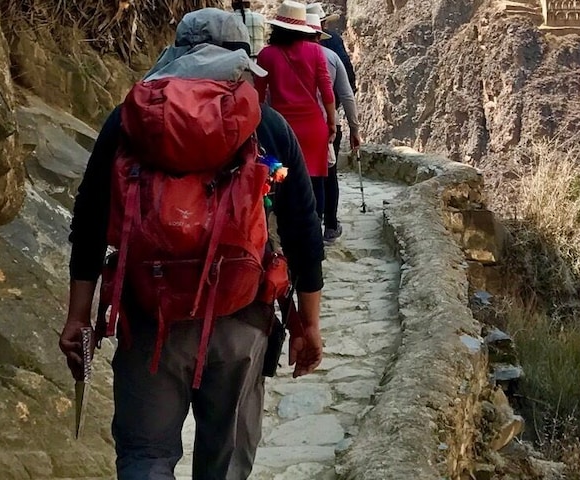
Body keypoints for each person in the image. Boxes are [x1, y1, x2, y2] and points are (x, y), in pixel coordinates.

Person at [58, 9, 325, 480]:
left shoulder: (130, 122)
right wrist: (308, 323)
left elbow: (90, 221)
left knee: (145, 457)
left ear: (176, 51)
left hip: (150, 316)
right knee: (224, 464)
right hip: (241, 317)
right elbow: (304, 230)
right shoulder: (266, 124)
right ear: (243, 57)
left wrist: (79, 314)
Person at [256, 1, 338, 238]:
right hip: (313, 128)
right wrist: (330, 123)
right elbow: (327, 91)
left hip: (281, 130)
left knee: (281, 177)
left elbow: (259, 97)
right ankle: (315, 229)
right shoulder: (315, 51)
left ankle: (284, 230)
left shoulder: (266, 55)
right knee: (315, 180)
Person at [305, 5, 360, 243]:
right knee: (328, 172)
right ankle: (330, 224)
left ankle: (307, 225)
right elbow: (347, 88)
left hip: (292, 125)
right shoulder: (333, 48)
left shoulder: (275, 54)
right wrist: (353, 127)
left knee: (302, 174)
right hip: (327, 121)